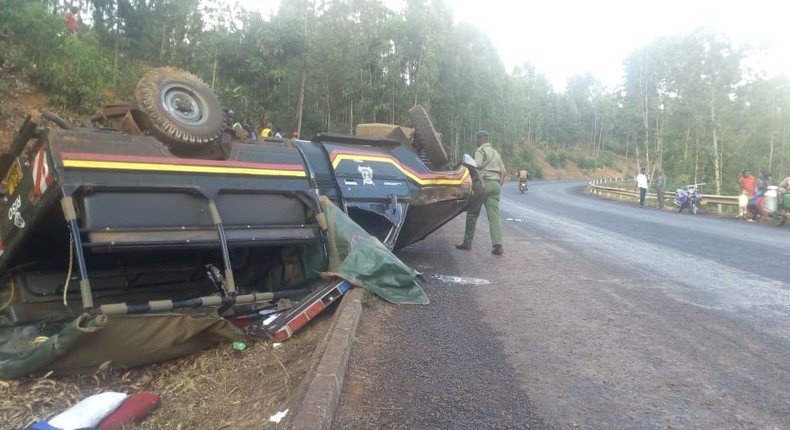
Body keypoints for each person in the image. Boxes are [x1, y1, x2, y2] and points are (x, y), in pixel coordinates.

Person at [456, 131, 505, 256]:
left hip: (483, 184)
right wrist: (497, 185)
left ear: (480, 139)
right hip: (495, 185)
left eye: (477, 139)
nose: (476, 142)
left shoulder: (480, 151)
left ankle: (467, 243)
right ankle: (498, 245)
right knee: (494, 216)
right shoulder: (496, 153)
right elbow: (503, 173)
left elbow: (476, 166)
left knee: (472, 213)